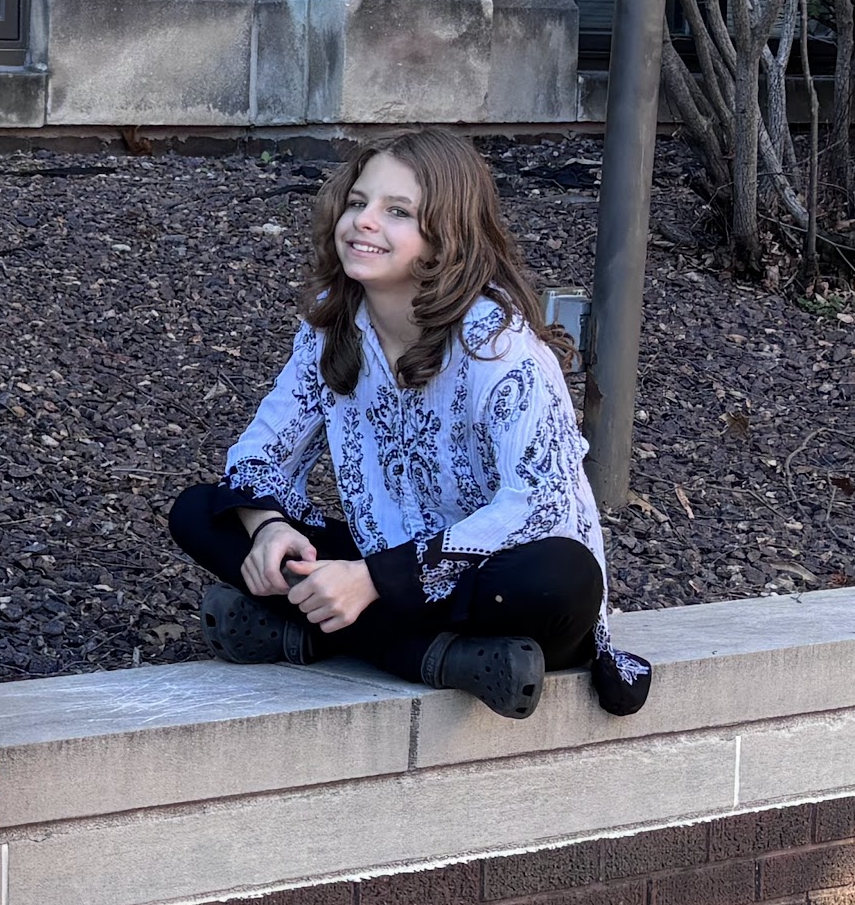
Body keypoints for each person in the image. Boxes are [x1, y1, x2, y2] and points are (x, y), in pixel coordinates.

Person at [167, 128, 650, 719]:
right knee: (200, 512)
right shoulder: (333, 326)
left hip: (492, 581)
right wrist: (268, 528)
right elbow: (260, 454)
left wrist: (374, 580)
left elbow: (537, 509)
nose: (364, 221)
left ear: (446, 237)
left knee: (559, 575)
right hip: (386, 561)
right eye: (358, 202)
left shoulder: (501, 350)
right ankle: (442, 659)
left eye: (397, 211)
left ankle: (321, 636)